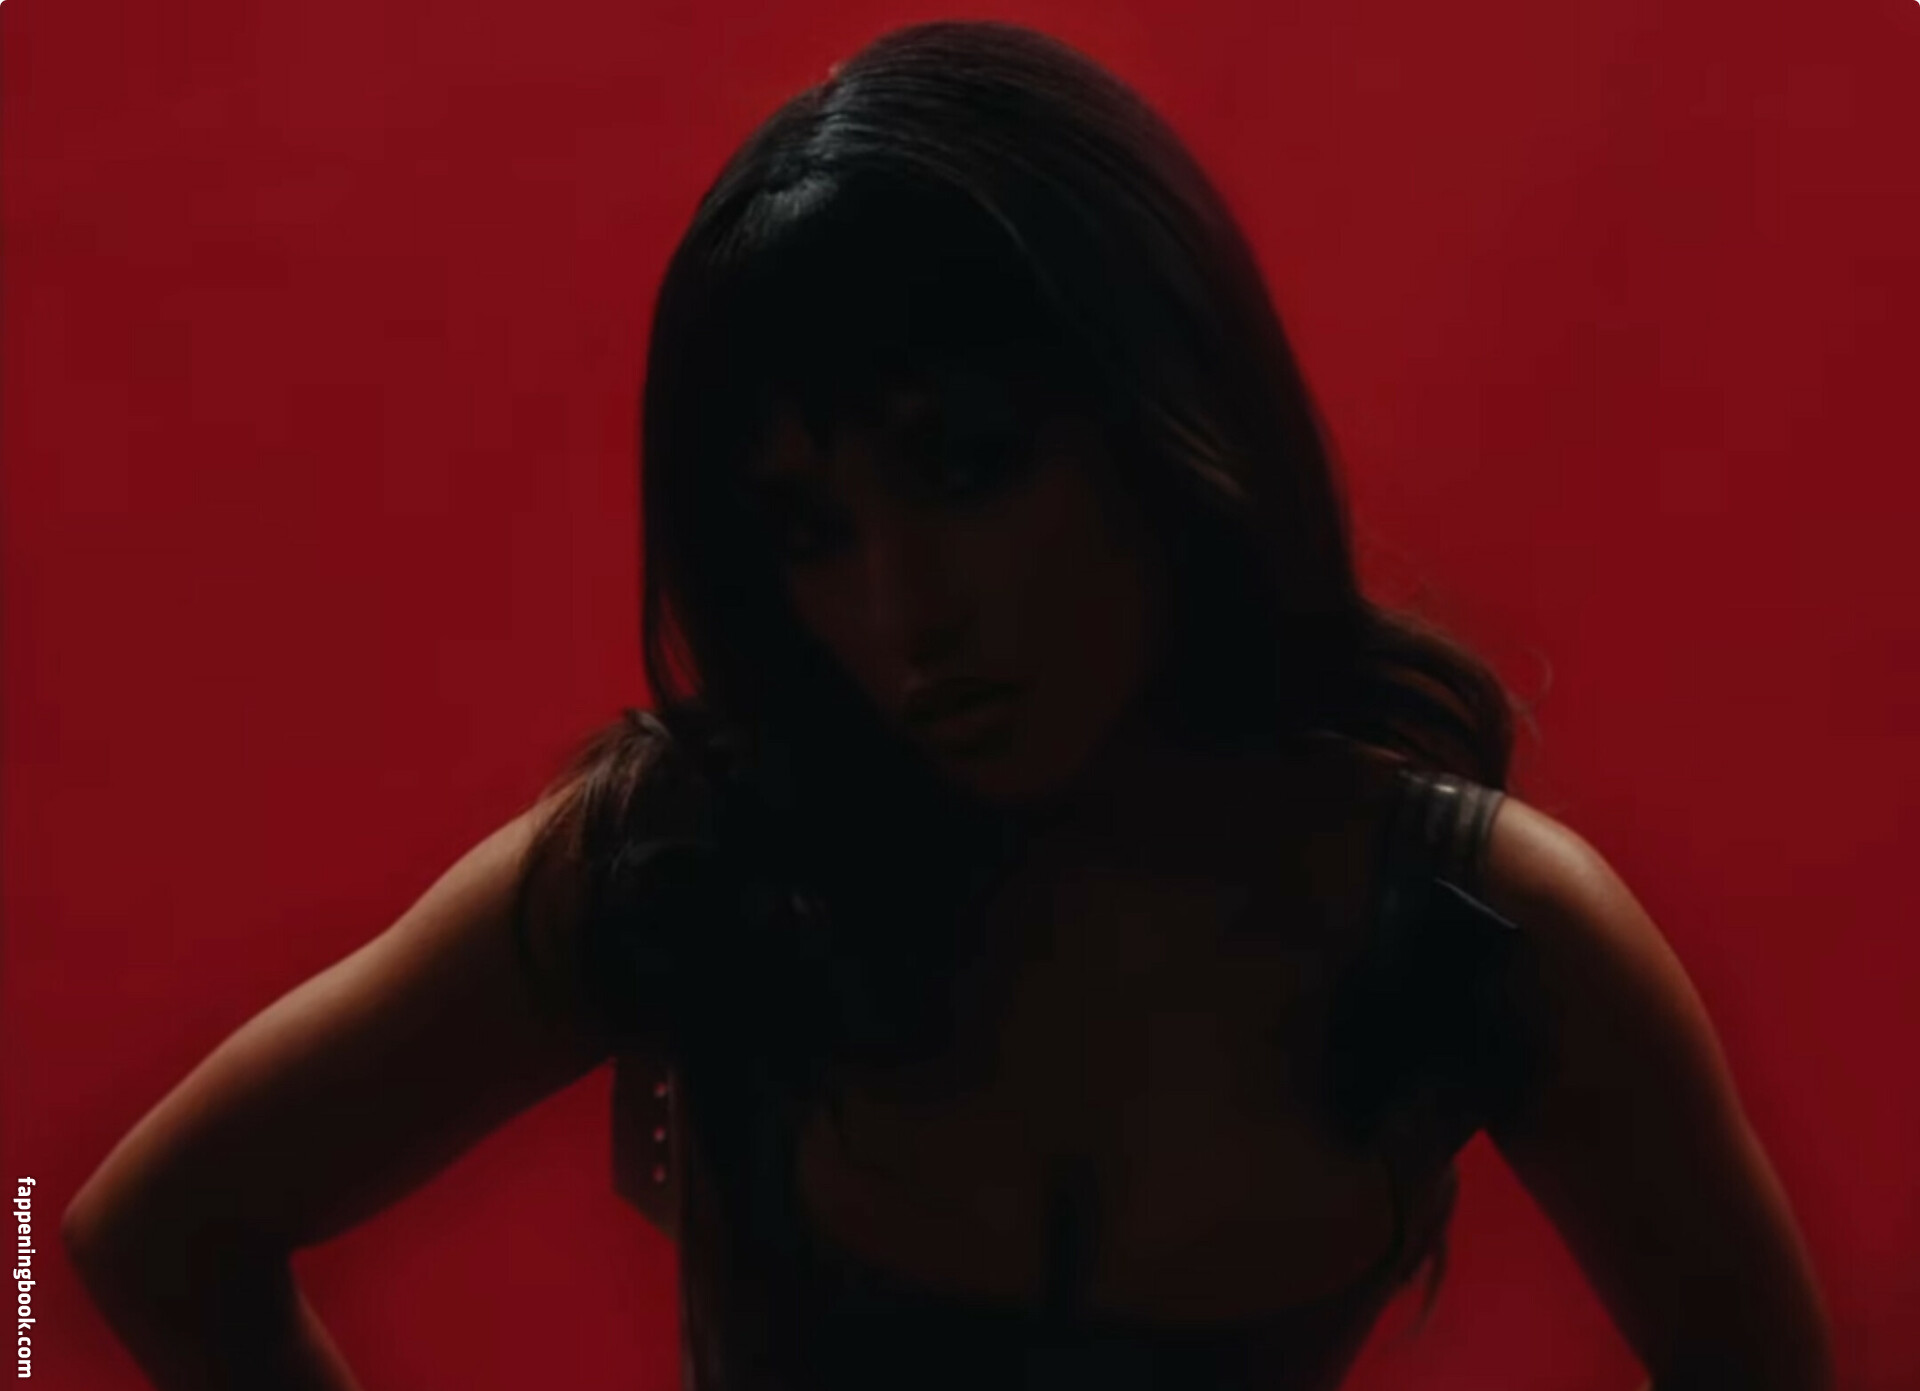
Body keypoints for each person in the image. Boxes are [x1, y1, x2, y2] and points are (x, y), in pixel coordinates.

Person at [62, 19, 1833, 1391]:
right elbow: (142, 1233)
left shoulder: (1476, 936)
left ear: (1168, 417)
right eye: (809, 531)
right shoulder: (701, 863)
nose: (902, 614)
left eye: (968, 466)